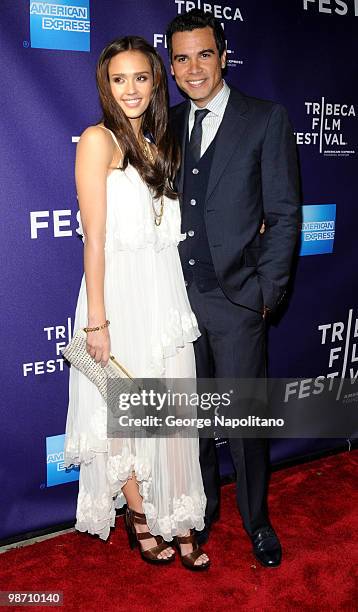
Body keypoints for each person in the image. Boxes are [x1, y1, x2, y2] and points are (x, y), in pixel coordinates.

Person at [64, 35, 210, 570]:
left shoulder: (155, 143)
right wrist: (98, 320)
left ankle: (176, 511)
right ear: (106, 84)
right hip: (117, 296)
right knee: (124, 413)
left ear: (156, 81)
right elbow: (94, 239)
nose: (131, 89)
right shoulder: (97, 141)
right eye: (119, 79)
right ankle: (139, 513)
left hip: (163, 292)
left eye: (141, 77)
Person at [166, 9, 300, 567]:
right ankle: (201, 510)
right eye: (180, 58)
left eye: (203, 54)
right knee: (191, 420)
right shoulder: (165, 123)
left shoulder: (264, 118)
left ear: (223, 55)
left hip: (237, 298)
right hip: (172, 299)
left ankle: (257, 521)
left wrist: (266, 292)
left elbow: (285, 213)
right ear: (170, 65)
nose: (193, 68)